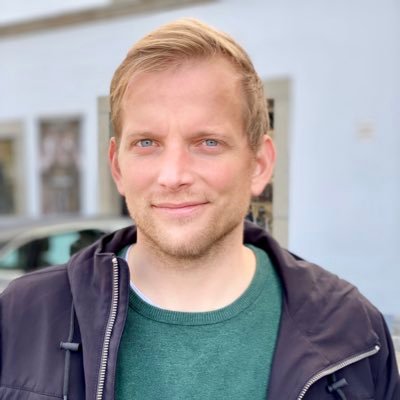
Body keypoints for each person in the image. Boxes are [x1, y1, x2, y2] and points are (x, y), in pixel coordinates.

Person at [0, 19, 398, 400]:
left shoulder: (355, 333)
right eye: (146, 143)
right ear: (117, 167)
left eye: (208, 142)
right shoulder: (22, 317)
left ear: (260, 164)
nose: (173, 176)